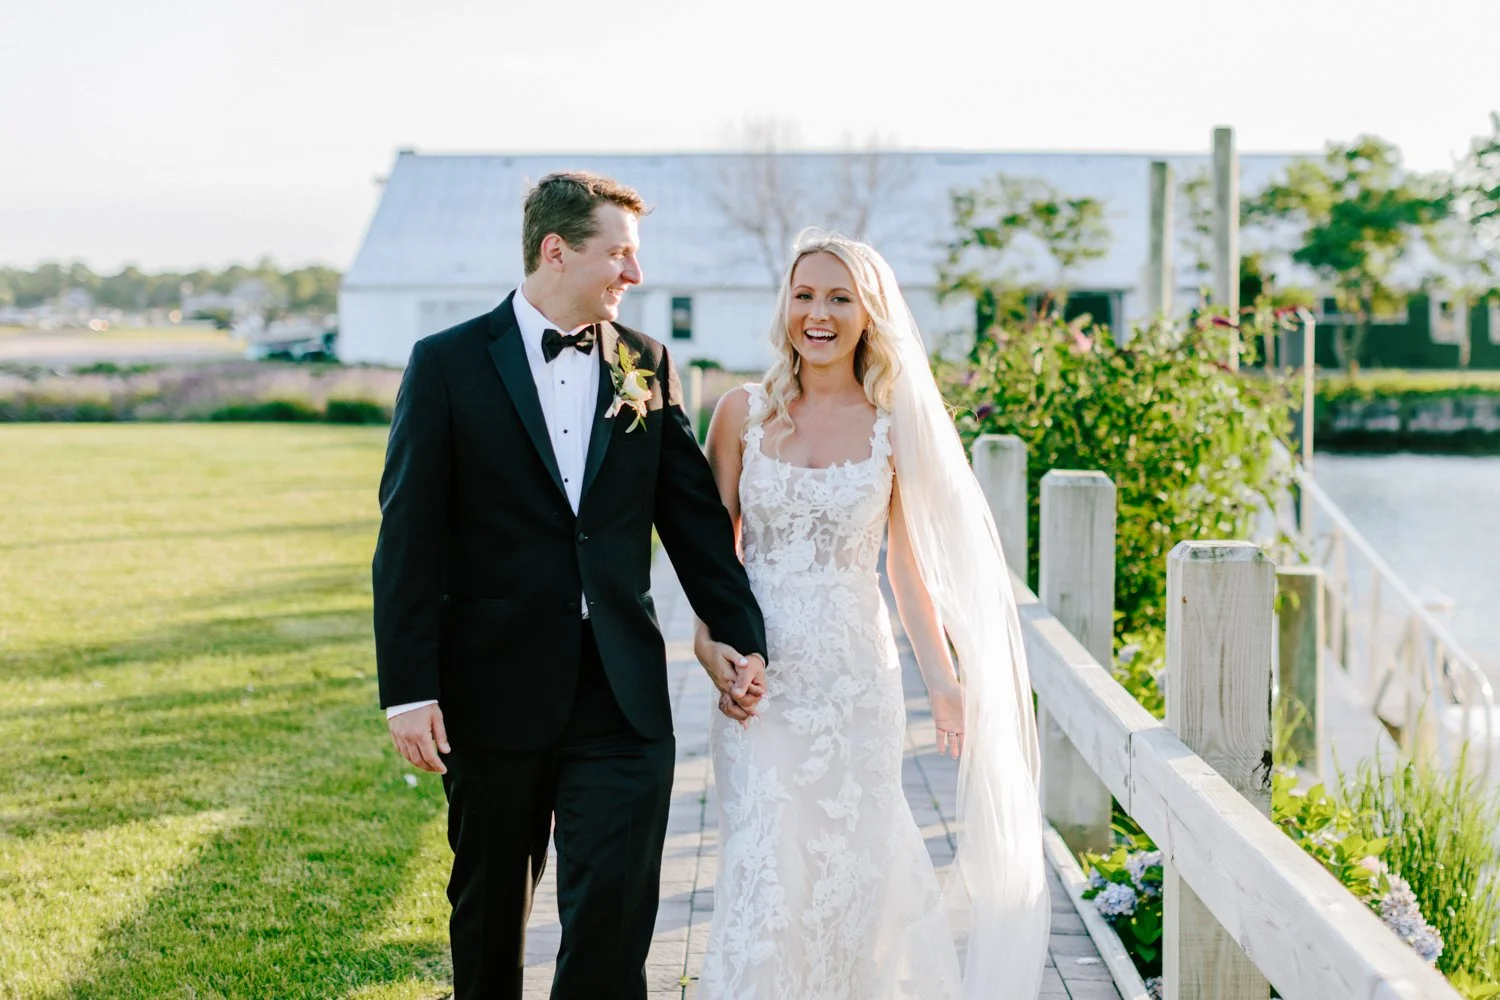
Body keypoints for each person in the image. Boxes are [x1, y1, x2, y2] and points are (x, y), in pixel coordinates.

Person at [372, 170, 767, 1000]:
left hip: (620, 692)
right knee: (488, 914)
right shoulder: (445, 365)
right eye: (620, 254)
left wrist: (739, 631)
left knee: (615, 916)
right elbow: (406, 542)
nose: (636, 275)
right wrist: (408, 691)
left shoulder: (646, 364)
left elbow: (691, 515)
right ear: (556, 251)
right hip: (491, 688)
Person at [694, 229, 1050, 999]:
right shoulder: (739, 414)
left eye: (838, 297)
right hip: (760, 683)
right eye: (804, 295)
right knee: (767, 865)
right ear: (785, 304)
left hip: (856, 685)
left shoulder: (894, 423)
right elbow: (711, 555)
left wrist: (947, 684)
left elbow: (907, 567)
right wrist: (707, 645)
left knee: (851, 874)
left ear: (870, 313)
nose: (817, 313)